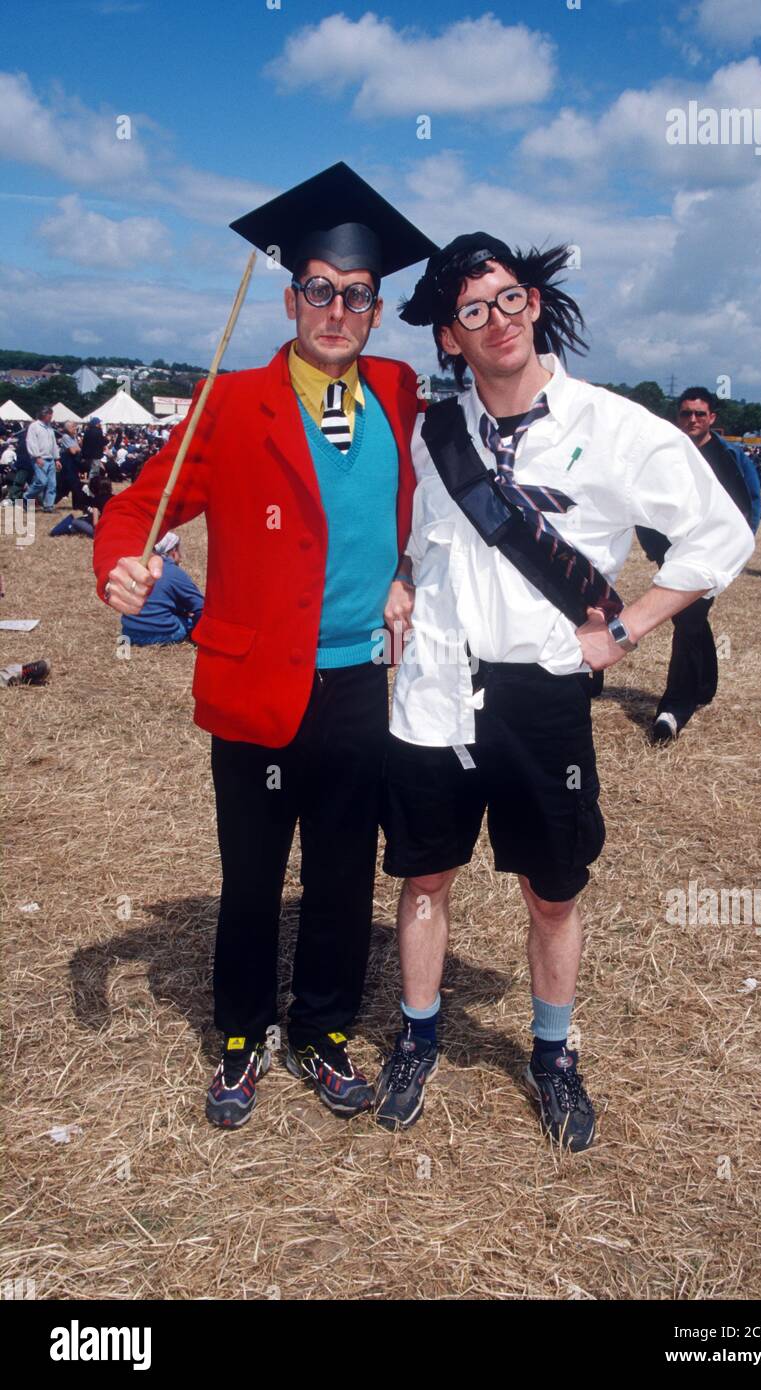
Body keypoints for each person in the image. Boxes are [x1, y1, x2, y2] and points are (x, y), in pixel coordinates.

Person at [374, 233, 754, 1149]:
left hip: (543, 693)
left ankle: (552, 1055)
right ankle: (418, 1036)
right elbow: (427, 535)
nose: (496, 321)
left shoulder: (616, 427)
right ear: (449, 337)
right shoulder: (435, 434)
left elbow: (720, 536)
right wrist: (403, 577)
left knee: (553, 890)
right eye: (472, 311)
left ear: (535, 304)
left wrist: (625, 630)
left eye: (509, 299)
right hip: (434, 688)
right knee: (425, 875)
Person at [93, 163, 436, 1130]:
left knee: (341, 873)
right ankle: (242, 1036)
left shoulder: (403, 393)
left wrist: (411, 569)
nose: (335, 308)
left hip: (363, 685)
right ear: (290, 297)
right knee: (250, 877)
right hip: (253, 683)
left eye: (355, 294)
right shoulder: (230, 402)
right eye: (319, 289)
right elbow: (130, 513)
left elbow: (438, 498)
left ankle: (323, 1029)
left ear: (376, 310)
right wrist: (119, 566)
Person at [635, 386, 761, 742]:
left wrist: (736, 552)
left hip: (712, 555)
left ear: (712, 418)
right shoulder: (667, 454)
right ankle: (704, 685)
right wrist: (652, 548)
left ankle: (674, 708)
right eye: (686, 413)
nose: (692, 419)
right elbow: (647, 502)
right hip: (673, 554)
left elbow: (748, 503)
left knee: (688, 619)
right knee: (691, 619)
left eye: (699, 414)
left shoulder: (731, 457)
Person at [119, 531, 204, 645]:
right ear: (173, 552)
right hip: (161, 634)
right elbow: (200, 606)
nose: (181, 557)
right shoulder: (173, 571)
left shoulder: (137, 567)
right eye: (179, 551)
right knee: (190, 621)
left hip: (129, 633)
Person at [23, 406, 59, 513]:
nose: (51, 416)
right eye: (49, 414)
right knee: (42, 482)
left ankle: (49, 505)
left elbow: (54, 444)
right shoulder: (34, 426)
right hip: (40, 458)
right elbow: (31, 442)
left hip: (50, 458)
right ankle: (26, 497)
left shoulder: (50, 428)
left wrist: (57, 458)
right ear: (44, 414)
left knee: (52, 484)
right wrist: (37, 456)